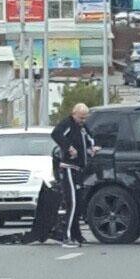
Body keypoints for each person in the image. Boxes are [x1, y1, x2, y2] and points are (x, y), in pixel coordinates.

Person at [51, 103, 99, 247]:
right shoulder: (68, 123)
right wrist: (68, 147)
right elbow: (56, 134)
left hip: (79, 169)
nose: (83, 120)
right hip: (69, 169)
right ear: (74, 114)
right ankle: (66, 237)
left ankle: (76, 234)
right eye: (81, 117)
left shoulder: (82, 127)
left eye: (85, 117)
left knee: (79, 203)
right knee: (72, 203)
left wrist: (93, 148)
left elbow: (90, 140)